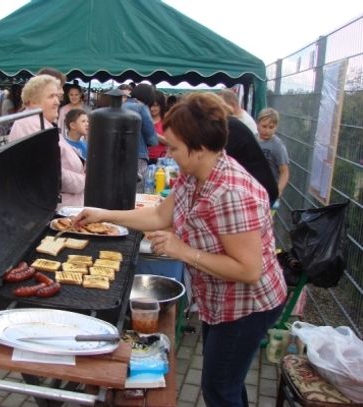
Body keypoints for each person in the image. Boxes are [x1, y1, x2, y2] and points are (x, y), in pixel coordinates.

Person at [74, 92, 287, 407]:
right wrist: (103, 214)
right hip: (218, 300)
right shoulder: (195, 173)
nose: (169, 154)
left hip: (247, 307)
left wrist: (183, 251)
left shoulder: (231, 193)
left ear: (199, 148)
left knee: (219, 389)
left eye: (174, 147)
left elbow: (249, 269)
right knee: (225, 381)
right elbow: (160, 215)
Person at [9, 74, 85, 208]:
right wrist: (83, 180)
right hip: (51, 211)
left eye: (57, 96)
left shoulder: (42, 123)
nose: (57, 101)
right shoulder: (31, 124)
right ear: (33, 102)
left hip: (61, 207)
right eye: (51, 96)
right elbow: (50, 174)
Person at [122, 83, 158, 192]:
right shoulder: (141, 107)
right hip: (138, 155)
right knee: (137, 191)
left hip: (120, 155)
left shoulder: (122, 106)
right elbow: (152, 139)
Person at [256, 108, 290, 197]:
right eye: (264, 126)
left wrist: (279, 190)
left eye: (271, 127)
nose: (267, 130)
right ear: (257, 124)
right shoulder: (253, 140)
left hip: (268, 191)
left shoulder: (277, 145)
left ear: (276, 127)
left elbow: (284, 172)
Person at [147, 90, 168, 164]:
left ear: (161, 106)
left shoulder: (166, 120)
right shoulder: (144, 118)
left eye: (156, 106)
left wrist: (153, 133)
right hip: (144, 159)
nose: (152, 109)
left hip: (161, 160)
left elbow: (170, 142)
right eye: (150, 106)